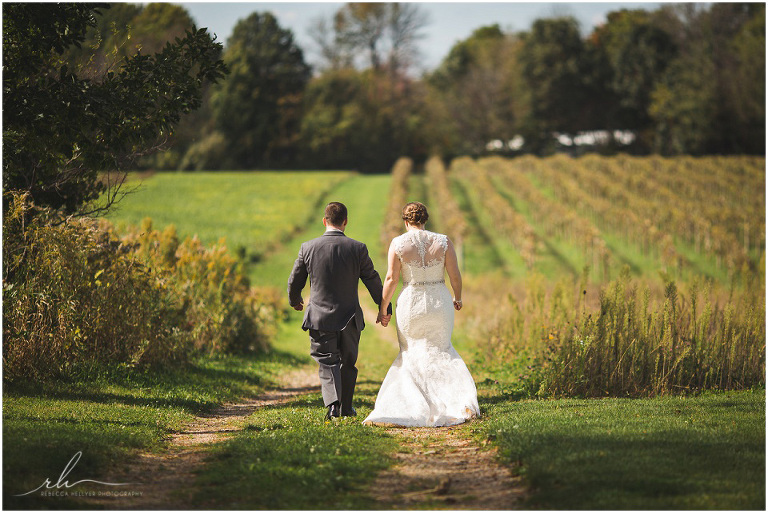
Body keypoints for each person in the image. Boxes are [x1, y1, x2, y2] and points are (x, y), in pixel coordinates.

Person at [363, 202, 480, 427]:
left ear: (406, 221)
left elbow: (391, 279)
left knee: (411, 351)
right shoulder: (443, 241)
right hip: (439, 302)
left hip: (411, 303)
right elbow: (454, 274)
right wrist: (458, 297)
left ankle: (413, 404)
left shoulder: (398, 243)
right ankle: (456, 401)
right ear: (426, 219)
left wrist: (383, 307)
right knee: (441, 348)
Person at [288, 202, 392, 421]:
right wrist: (384, 308)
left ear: (324, 221)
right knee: (348, 362)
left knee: (327, 360)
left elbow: (295, 279)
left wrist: (295, 300)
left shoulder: (308, 247)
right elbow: (372, 279)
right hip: (350, 318)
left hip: (319, 317)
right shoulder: (358, 248)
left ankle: (334, 405)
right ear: (345, 221)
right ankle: (345, 408)